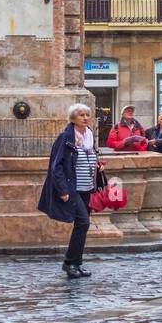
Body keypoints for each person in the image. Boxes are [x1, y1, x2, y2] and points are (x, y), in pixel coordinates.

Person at [37, 103, 99, 280]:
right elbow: (56, 166)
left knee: (81, 225)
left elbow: (87, 158)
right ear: (73, 118)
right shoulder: (65, 137)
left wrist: (97, 165)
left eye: (87, 115)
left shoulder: (88, 136)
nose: (85, 118)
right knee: (83, 222)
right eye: (81, 115)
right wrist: (62, 190)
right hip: (73, 188)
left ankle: (75, 263)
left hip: (86, 187)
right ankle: (70, 263)